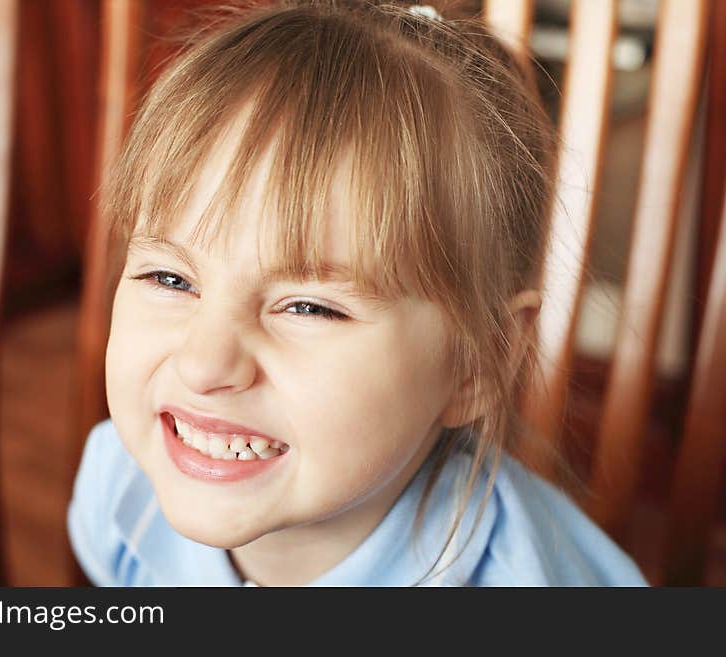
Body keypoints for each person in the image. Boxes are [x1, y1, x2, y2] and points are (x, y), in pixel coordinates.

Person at [67, 0, 648, 586]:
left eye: (310, 307)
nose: (204, 364)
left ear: (478, 361)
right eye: (170, 278)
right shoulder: (118, 488)